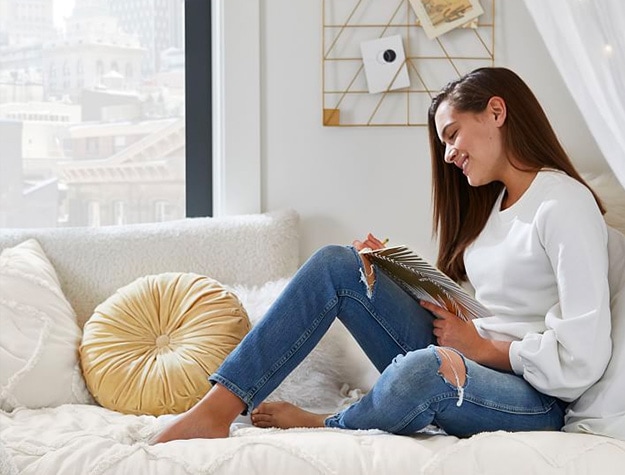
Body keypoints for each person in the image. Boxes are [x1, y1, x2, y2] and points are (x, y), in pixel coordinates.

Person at [151, 67, 611, 443]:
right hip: (474, 356)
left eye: (452, 135)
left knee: (426, 370)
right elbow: (503, 306)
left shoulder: (563, 205)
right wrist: (398, 272)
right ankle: (217, 408)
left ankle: (327, 423)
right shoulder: (495, 205)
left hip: (536, 400)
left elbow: (582, 357)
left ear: (496, 111)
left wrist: (485, 348)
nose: (449, 154)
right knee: (339, 264)